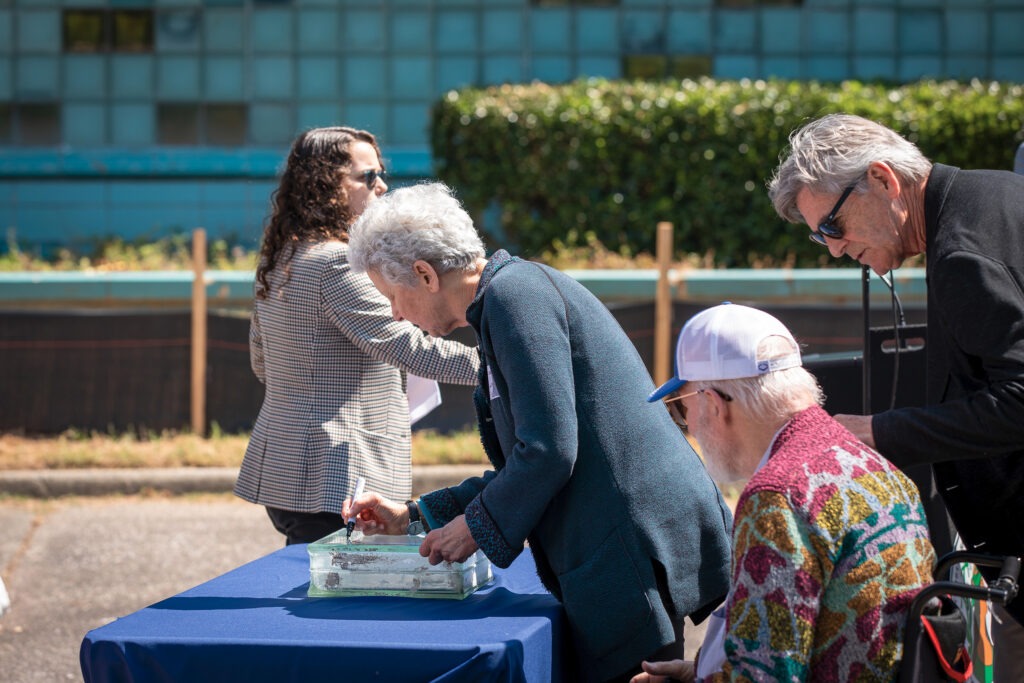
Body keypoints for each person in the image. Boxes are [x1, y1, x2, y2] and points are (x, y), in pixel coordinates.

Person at [342, 182, 733, 682]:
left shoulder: (513, 297)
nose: (397, 314)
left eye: (393, 297)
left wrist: (474, 529)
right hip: (619, 539)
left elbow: (547, 453)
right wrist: (417, 515)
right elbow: (529, 459)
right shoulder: (506, 297)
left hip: (625, 548)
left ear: (424, 274)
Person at [768, 113, 1024, 657]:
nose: (833, 249)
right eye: (818, 236)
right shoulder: (995, 192)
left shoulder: (961, 252)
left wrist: (882, 432)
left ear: (883, 180)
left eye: (832, 227)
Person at [634, 303, 934, 682]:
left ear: (712, 405)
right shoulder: (878, 467)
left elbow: (764, 675)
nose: (687, 425)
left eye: (681, 410)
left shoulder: (777, 497)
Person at [234, 128, 479, 545]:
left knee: (317, 588)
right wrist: (504, 365)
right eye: (368, 177)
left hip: (288, 472)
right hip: (336, 475)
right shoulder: (336, 264)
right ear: (325, 185)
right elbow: (409, 347)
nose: (382, 185)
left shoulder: (284, 258)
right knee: (347, 601)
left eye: (380, 173)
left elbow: (261, 361)